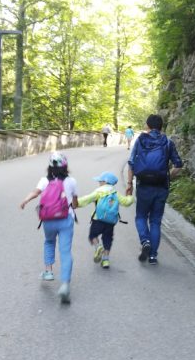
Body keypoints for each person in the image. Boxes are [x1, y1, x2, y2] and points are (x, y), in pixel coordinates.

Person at [20, 152, 79, 304]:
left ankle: (48, 271)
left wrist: (25, 200)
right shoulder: (71, 181)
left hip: (48, 220)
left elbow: (35, 192)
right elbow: (75, 203)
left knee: (49, 242)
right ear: (65, 166)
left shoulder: (44, 180)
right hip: (66, 219)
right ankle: (65, 285)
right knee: (65, 251)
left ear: (50, 166)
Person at [125, 114, 183, 265]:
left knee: (141, 217)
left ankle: (145, 241)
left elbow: (131, 163)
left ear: (147, 126)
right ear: (161, 126)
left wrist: (129, 184)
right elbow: (178, 165)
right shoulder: (168, 142)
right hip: (161, 187)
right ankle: (153, 256)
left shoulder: (140, 140)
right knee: (156, 221)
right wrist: (167, 176)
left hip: (144, 186)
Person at [77, 171, 134, 269]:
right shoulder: (115, 193)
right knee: (107, 239)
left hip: (98, 220)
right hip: (110, 222)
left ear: (105, 182)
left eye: (100, 181)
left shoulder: (99, 191)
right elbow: (126, 202)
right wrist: (130, 196)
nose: (99, 183)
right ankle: (105, 260)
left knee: (93, 235)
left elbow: (87, 199)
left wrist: (75, 203)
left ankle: (98, 246)